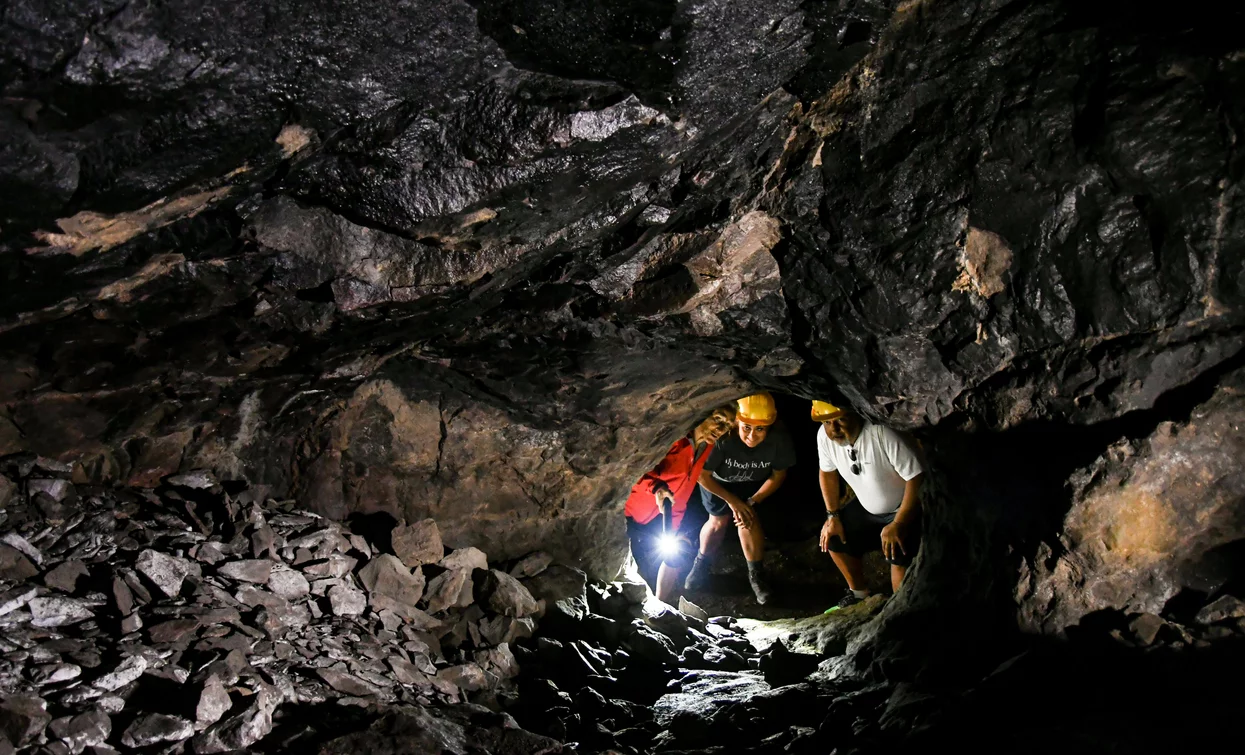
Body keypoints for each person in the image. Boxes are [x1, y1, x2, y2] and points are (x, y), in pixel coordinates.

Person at [684, 392, 796, 605]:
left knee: (748, 518)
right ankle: (701, 565)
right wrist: (732, 502)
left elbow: (778, 474)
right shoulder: (723, 437)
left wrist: (752, 501)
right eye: (747, 427)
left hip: (752, 483)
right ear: (737, 422)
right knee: (718, 520)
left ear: (769, 426)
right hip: (718, 483)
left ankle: (756, 575)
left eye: (760, 429)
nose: (752, 436)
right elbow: (701, 475)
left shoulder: (779, 439)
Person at [813, 400, 925, 609]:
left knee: (897, 552)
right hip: (867, 508)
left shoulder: (882, 433)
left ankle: (898, 609)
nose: (833, 429)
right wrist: (832, 516)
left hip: (903, 509)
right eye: (827, 423)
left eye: (840, 420)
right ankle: (859, 595)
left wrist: (899, 523)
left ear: (855, 414)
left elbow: (916, 477)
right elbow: (826, 473)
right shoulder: (824, 436)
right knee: (834, 538)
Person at [624, 405, 736, 603]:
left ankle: (660, 605)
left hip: (665, 512)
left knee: (678, 552)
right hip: (631, 511)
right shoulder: (673, 440)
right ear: (702, 413)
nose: (721, 430)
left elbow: (683, 490)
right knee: (625, 561)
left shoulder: (706, 447)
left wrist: (673, 527)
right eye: (718, 419)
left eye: (727, 425)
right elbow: (632, 472)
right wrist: (657, 488)